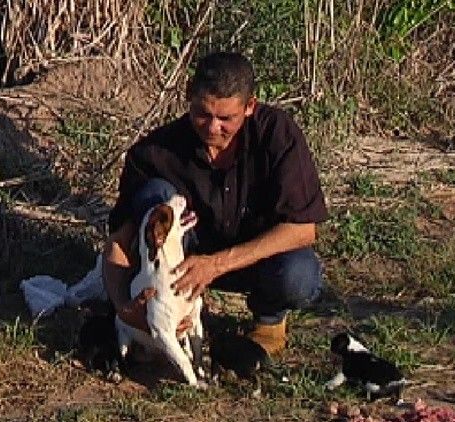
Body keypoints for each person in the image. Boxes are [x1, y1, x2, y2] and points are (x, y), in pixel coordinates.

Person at [102, 51, 328, 355]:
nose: (211, 128)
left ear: (249, 107)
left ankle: (269, 319)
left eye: (226, 119)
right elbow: (119, 242)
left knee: (299, 273)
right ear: (188, 97)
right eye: (202, 114)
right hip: (181, 268)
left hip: (255, 261)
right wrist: (123, 308)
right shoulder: (154, 154)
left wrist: (216, 264)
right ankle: (171, 306)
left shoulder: (277, 134)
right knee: (153, 194)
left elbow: (303, 230)